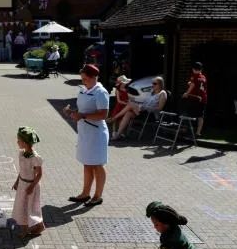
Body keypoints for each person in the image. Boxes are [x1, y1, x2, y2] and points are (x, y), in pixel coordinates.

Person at [63, 64, 109, 207]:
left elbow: (103, 114)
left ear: (94, 77)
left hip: (96, 134)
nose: (83, 81)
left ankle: (97, 196)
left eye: (86, 79)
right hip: (85, 132)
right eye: (82, 79)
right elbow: (83, 109)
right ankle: (85, 193)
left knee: (97, 164)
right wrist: (72, 112)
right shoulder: (84, 90)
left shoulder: (101, 92)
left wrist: (82, 115)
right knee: (87, 163)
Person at [11, 126, 44, 238]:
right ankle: (38, 226)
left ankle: (25, 230)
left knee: (30, 207)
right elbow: (22, 171)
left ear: (25, 142)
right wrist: (16, 182)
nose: (17, 142)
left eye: (19, 140)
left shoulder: (35, 158)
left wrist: (31, 187)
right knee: (22, 206)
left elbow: (39, 174)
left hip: (31, 186)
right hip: (22, 184)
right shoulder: (22, 154)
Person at [112, 76, 168, 140]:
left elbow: (159, 108)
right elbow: (144, 102)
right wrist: (139, 104)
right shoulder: (152, 92)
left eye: (154, 83)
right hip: (143, 112)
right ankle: (118, 134)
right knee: (128, 113)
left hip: (151, 115)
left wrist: (145, 107)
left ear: (160, 84)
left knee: (130, 104)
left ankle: (114, 118)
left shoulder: (162, 93)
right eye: (152, 83)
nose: (152, 85)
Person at [181, 62, 207, 136]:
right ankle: (198, 132)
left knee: (187, 112)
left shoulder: (194, 76)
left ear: (193, 69)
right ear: (201, 69)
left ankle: (185, 128)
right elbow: (198, 84)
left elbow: (192, 85)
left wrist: (186, 93)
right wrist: (191, 83)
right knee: (200, 116)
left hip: (194, 98)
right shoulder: (203, 77)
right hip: (203, 99)